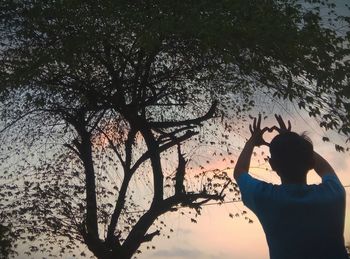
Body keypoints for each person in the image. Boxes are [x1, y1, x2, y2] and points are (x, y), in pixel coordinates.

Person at [233, 114, 348, 259]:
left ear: (272, 165)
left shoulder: (264, 197)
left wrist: (252, 142)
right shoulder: (333, 194)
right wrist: (292, 140)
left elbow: (239, 172)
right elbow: (325, 168)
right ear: (311, 163)